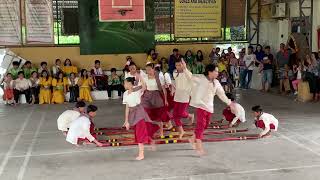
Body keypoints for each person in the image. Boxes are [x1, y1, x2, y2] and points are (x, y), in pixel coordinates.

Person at [189, 64, 233, 156]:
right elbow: (190, 76)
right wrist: (184, 68)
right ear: (210, 72)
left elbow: (221, 94)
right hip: (201, 106)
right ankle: (199, 146)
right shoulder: (201, 79)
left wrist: (229, 103)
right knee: (201, 126)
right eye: (216, 71)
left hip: (209, 107)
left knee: (205, 125)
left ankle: (192, 138)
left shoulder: (216, 82)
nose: (218, 73)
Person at [123, 77, 159, 160]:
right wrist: (126, 120)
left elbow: (144, 86)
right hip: (133, 114)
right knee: (140, 131)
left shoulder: (137, 90)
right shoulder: (125, 93)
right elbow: (127, 107)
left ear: (129, 84)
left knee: (140, 132)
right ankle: (151, 140)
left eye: (125, 83)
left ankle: (141, 154)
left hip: (139, 111)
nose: (124, 84)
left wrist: (140, 77)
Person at [141, 63, 168, 137]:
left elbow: (163, 90)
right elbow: (144, 88)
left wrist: (165, 100)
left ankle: (161, 131)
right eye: (146, 70)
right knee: (146, 113)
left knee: (158, 116)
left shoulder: (159, 77)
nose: (148, 71)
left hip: (157, 97)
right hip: (147, 96)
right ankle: (151, 130)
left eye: (149, 69)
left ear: (153, 69)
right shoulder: (145, 77)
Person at [172, 58, 194, 138]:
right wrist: (172, 89)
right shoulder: (175, 72)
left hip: (185, 97)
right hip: (177, 96)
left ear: (184, 65)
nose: (177, 67)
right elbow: (176, 83)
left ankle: (190, 116)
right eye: (176, 65)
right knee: (175, 115)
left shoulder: (188, 73)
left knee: (181, 113)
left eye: (179, 65)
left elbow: (191, 80)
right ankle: (181, 131)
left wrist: (185, 69)